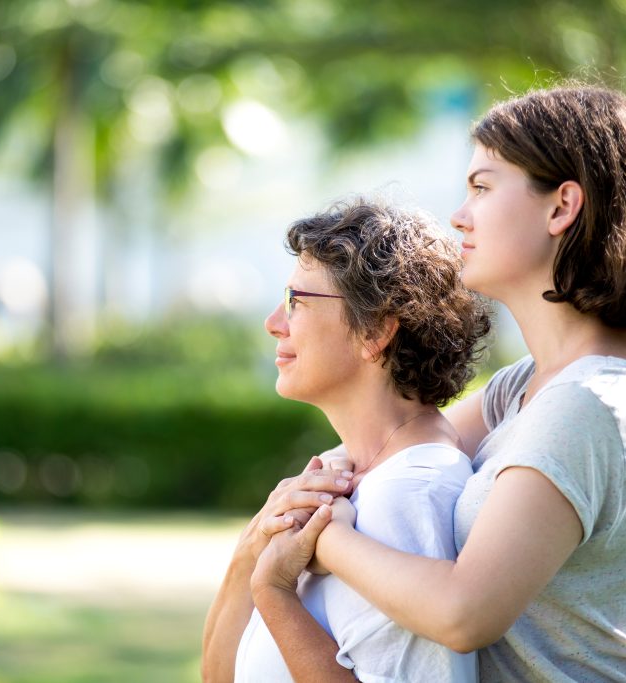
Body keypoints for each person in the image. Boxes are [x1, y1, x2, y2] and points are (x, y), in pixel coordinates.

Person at [250, 84, 626, 682]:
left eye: (482, 186)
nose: (459, 215)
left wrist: (324, 539)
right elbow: (389, 443)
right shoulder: (526, 387)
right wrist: (300, 498)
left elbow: (465, 613)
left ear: (561, 207)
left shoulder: (592, 402)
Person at [201, 199, 491, 682]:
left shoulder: (411, 493)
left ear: (376, 330)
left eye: (298, 301)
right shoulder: (351, 475)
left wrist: (274, 592)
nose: (274, 321)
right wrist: (248, 555)